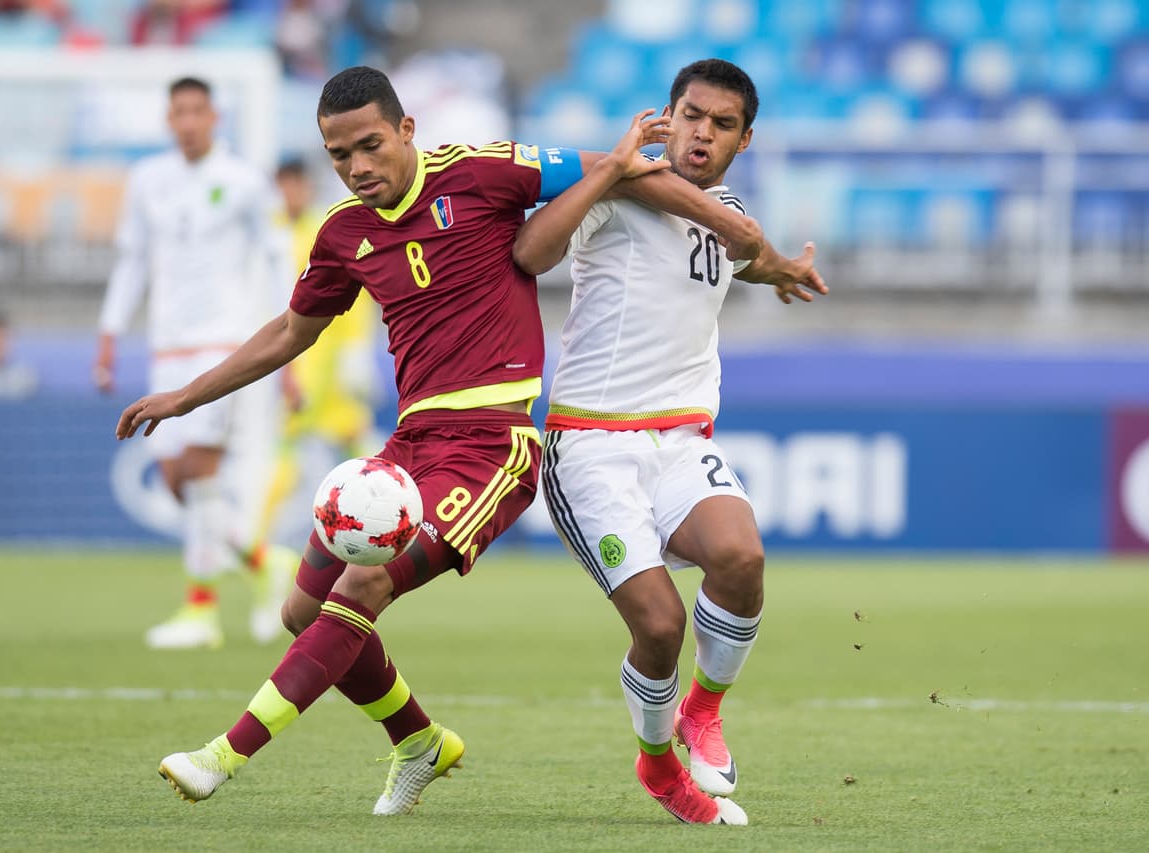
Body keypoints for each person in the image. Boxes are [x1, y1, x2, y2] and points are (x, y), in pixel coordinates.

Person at [116, 64, 770, 816]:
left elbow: (623, 171)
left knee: (362, 588)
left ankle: (223, 755)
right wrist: (185, 396)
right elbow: (291, 332)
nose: (358, 167)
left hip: (493, 446)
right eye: (339, 155)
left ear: (406, 130)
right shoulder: (344, 233)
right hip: (410, 445)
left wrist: (741, 233)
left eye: (370, 145)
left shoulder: (483, 171)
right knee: (303, 611)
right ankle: (418, 740)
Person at [512, 59, 826, 825]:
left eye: (722, 124)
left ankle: (702, 710)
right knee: (659, 624)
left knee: (742, 558)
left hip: (681, 438)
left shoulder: (728, 208)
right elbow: (530, 253)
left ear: (744, 140)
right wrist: (608, 170)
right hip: (591, 445)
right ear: (668, 115)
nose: (702, 132)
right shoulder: (616, 190)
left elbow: (735, 254)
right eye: (691, 114)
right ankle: (656, 764)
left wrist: (777, 267)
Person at [94, 76, 295, 651]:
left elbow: (278, 256)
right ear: (168, 119)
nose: (187, 122)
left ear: (214, 117)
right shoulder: (147, 181)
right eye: (177, 112)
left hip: (220, 345)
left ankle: (200, 612)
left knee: (199, 469)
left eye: (196, 111)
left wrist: (290, 341)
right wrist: (109, 332)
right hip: (166, 346)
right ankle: (266, 564)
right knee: (177, 481)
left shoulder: (244, 182)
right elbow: (133, 260)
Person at [252, 158, 382, 545]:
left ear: (306, 187)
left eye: (295, 184)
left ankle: (390, 522)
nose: (289, 193)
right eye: (283, 185)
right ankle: (256, 542)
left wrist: (356, 349)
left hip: (329, 360)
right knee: (288, 448)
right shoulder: (265, 233)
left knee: (355, 440)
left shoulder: (324, 229)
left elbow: (356, 293)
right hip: (289, 362)